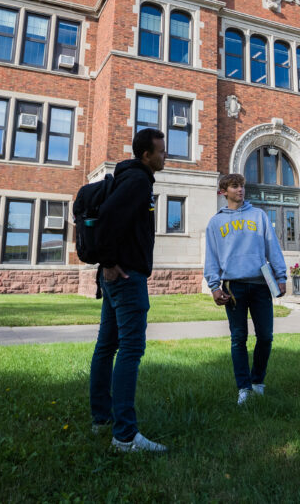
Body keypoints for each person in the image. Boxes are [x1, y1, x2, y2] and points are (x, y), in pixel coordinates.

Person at [89, 128, 168, 452]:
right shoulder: (137, 182)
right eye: (161, 151)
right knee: (130, 349)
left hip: (116, 278)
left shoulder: (132, 179)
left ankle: (101, 419)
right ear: (146, 155)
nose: (166, 155)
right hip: (125, 278)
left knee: (107, 346)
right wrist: (107, 262)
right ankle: (124, 435)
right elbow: (106, 218)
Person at [204, 173, 287, 405]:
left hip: (260, 285)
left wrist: (281, 276)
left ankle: (257, 382)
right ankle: (244, 387)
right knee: (238, 338)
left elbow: (272, 246)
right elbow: (211, 256)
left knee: (266, 336)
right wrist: (213, 286)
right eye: (234, 186)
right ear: (224, 191)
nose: (240, 190)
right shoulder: (215, 222)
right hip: (233, 287)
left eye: (242, 186)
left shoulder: (258, 216)